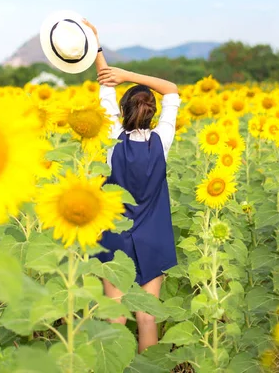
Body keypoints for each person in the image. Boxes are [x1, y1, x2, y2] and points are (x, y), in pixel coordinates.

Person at [83, 19, 181, 353]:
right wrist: (131, 75)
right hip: (153, 238)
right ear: (153, 113)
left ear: (122, 112)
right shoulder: (162, 140)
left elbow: (105, 88)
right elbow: (171, 89)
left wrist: (95, 47)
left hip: (116, 235)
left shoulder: (112, 139)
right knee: (147, 318)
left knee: (115, 317)